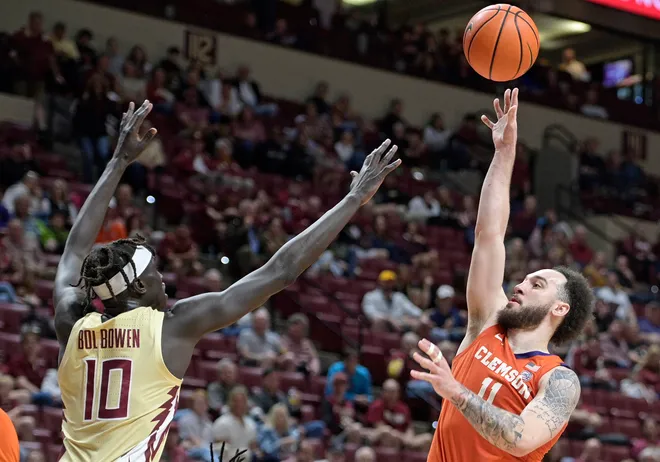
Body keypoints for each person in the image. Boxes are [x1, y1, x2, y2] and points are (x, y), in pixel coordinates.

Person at [52, 99, 401, 461]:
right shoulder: (171, 326)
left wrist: (117, 162)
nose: (164, 281)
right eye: (154, 273)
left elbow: (74, 251)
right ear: (138, 287)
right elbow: (280, 272)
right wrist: (353, 199)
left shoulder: (71, 321)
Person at [413, 89, 594, 461]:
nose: (521, 284)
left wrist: (456, 391)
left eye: (537, 284)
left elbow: (521, 438)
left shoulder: (557, 379)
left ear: (560, 308)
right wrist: (504, 152)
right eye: (525, 279)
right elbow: (489, 235)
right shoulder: (486, 325)